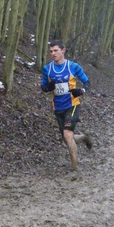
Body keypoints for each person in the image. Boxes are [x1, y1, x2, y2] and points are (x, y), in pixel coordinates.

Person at [41, 40, 92, 171]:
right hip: (57, 107)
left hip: (72, 105)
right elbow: (43, 87)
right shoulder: (47, 68)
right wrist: (48, 87)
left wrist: (81, 91)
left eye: (56, 50)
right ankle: (84, 137)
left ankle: (74, 167)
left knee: (67, 134)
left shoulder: (73, 66)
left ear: (63, 50)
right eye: (51, 51)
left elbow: (87, 82)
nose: (53, 53)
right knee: (66, 137)